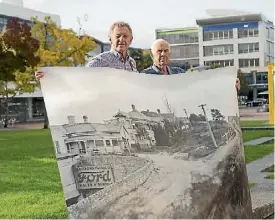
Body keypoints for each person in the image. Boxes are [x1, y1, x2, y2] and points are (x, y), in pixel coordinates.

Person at [35, 21, 137, 80]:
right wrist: (50, 77)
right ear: (110, 39)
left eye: (125, 36)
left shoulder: (132, 63)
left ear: (130, 40)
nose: (121, 40)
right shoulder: (101, 60)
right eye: (118, 36)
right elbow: (80, 77)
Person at [142, 39, 240, 91]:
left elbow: (200, 84)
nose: (163, 54)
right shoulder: (144, 76)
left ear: (170, 53)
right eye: (159, 51)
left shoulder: (179, 72)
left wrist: (228, 84)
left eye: (166, 51)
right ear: (152, 55)